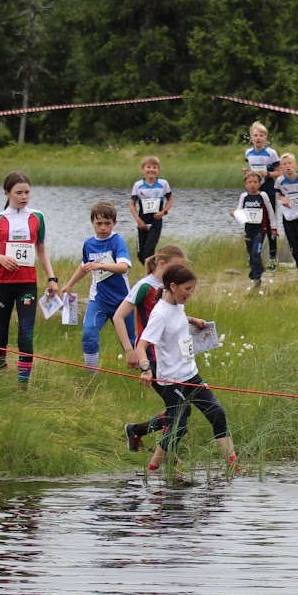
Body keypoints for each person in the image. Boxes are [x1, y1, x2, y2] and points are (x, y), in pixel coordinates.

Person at [128, 263, 237, 473]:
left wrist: (192, 320)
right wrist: (145, 368)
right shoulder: (159, 314)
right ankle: (152, 470)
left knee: (217, 414)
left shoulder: (177, 305)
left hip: (191, 374)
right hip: (171, 379)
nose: (190, 293)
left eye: (192, 289)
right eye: (187, 289)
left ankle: (233, 465)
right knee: (178, 427)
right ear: (173, 286)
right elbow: (141, 345)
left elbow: (176, 319)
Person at [0, 173, 58, 386]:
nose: (24, 196)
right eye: (19, 193)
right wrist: (0, 257)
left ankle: (22, 386)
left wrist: (52, 278)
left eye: (27, 192)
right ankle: (1, 375)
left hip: (27, 284)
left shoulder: (37, 217)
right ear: (7, 193)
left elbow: (42, 250)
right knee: (0, 337)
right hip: (2, 285)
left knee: (25, 335)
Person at [57, 201, 133, 373]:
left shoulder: (117, 242)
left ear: (114, 223)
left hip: (122, 301)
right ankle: (91, 375)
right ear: (92, 223)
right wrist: (69, 285)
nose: (103, 228)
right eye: (99, 223)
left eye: (108, 223)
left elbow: (123, 267)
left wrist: (100, 266)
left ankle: (144, 374)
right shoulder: (89, 244)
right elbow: (85, 266)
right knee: (89, 335)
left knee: (130, 342)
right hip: (98, 299)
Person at [116, 242, 184, 381]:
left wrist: (192, 321)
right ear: (162, 264)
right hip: (150, 353)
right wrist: (130, 351)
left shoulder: (172, 287)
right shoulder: (144, 286)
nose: (179, 272)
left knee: (181, 397)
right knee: (176, 398)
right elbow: (118, 317)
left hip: (170, 351)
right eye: (175, 268)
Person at [271, 153, 298, 275]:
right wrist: (283, 198)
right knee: (294, 247)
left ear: (295, 164)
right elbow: (277, 193)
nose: (288, 166)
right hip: (288, 217)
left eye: (290, 163)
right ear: (282, 167)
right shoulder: (280, 181)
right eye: (285, 164)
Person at [244, 122, 280, 259]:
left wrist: (267, 174)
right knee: (254, 221)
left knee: (271, 221)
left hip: (268, 189)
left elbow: (279, 172)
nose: (258, 138)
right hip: (254, 191)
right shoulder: (248, 153)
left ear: (265, 138)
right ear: (251, 138)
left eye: (261, 135)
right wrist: (248, 173)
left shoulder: (271, 153)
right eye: (255, 135)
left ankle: (273, 256)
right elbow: (252, 170)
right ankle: (253, 254)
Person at [128, 155, 174, 263]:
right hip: (142, 222)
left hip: (156, 222)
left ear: (158, 170)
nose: (151, 170)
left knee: (149, 250)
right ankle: (153, 271)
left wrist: (163, 212)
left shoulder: (163, 184)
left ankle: (150, 276)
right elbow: (132, 204)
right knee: (141, 255)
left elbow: (170, 200)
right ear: (143, 169)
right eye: (148, 167)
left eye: (154, 167)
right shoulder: (138, 185)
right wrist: (138, 220)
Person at [236, 171, 277, 291]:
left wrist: (273, 228)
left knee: (256, 252)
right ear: (245, 184)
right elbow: (239, 211)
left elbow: (270, 212)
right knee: (251, 255)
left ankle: (257, 274)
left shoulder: (263, 195)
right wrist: (235, 213)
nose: (252, 184)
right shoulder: (244, 197)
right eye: (250, 182)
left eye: (255, 182)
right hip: (249, 229)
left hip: (261, 229)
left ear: (259, 184)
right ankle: (256, 277)